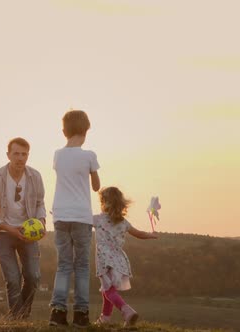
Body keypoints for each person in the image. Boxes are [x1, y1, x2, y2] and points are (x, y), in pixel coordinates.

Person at [0, 137, 47, 319]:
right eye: (16, 153)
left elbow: (40, 203)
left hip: (28, 233)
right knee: (12, 279)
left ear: (28, 156)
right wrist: (8, 228)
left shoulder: (35, 176)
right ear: (8, 155)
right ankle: (18, 321)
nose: (20, 158)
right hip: (3, 233)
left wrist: (41, 221)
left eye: (24, 154)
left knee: (33, 278)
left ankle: (21, 316)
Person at [49, 110, 100, 327]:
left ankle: (57, 313)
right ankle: (81, 314)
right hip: (81, 216)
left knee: (63, 265)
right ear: (86, 130)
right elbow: (96, 186)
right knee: (81, 266)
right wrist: (91, 172)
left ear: (64, 132)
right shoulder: (89, 155)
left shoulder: (57, 155)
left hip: (60, 215)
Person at [93, 186, 158, 326]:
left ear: (104, 202)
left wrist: (63, 215)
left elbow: (80, 221)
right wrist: (150, 236)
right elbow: (139, 234)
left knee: (108, 291)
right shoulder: (124, 222)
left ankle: (126, 311)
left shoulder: (98, 219)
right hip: (119, 260)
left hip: (105, 261)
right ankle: (105, 318)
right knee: (108, 290)